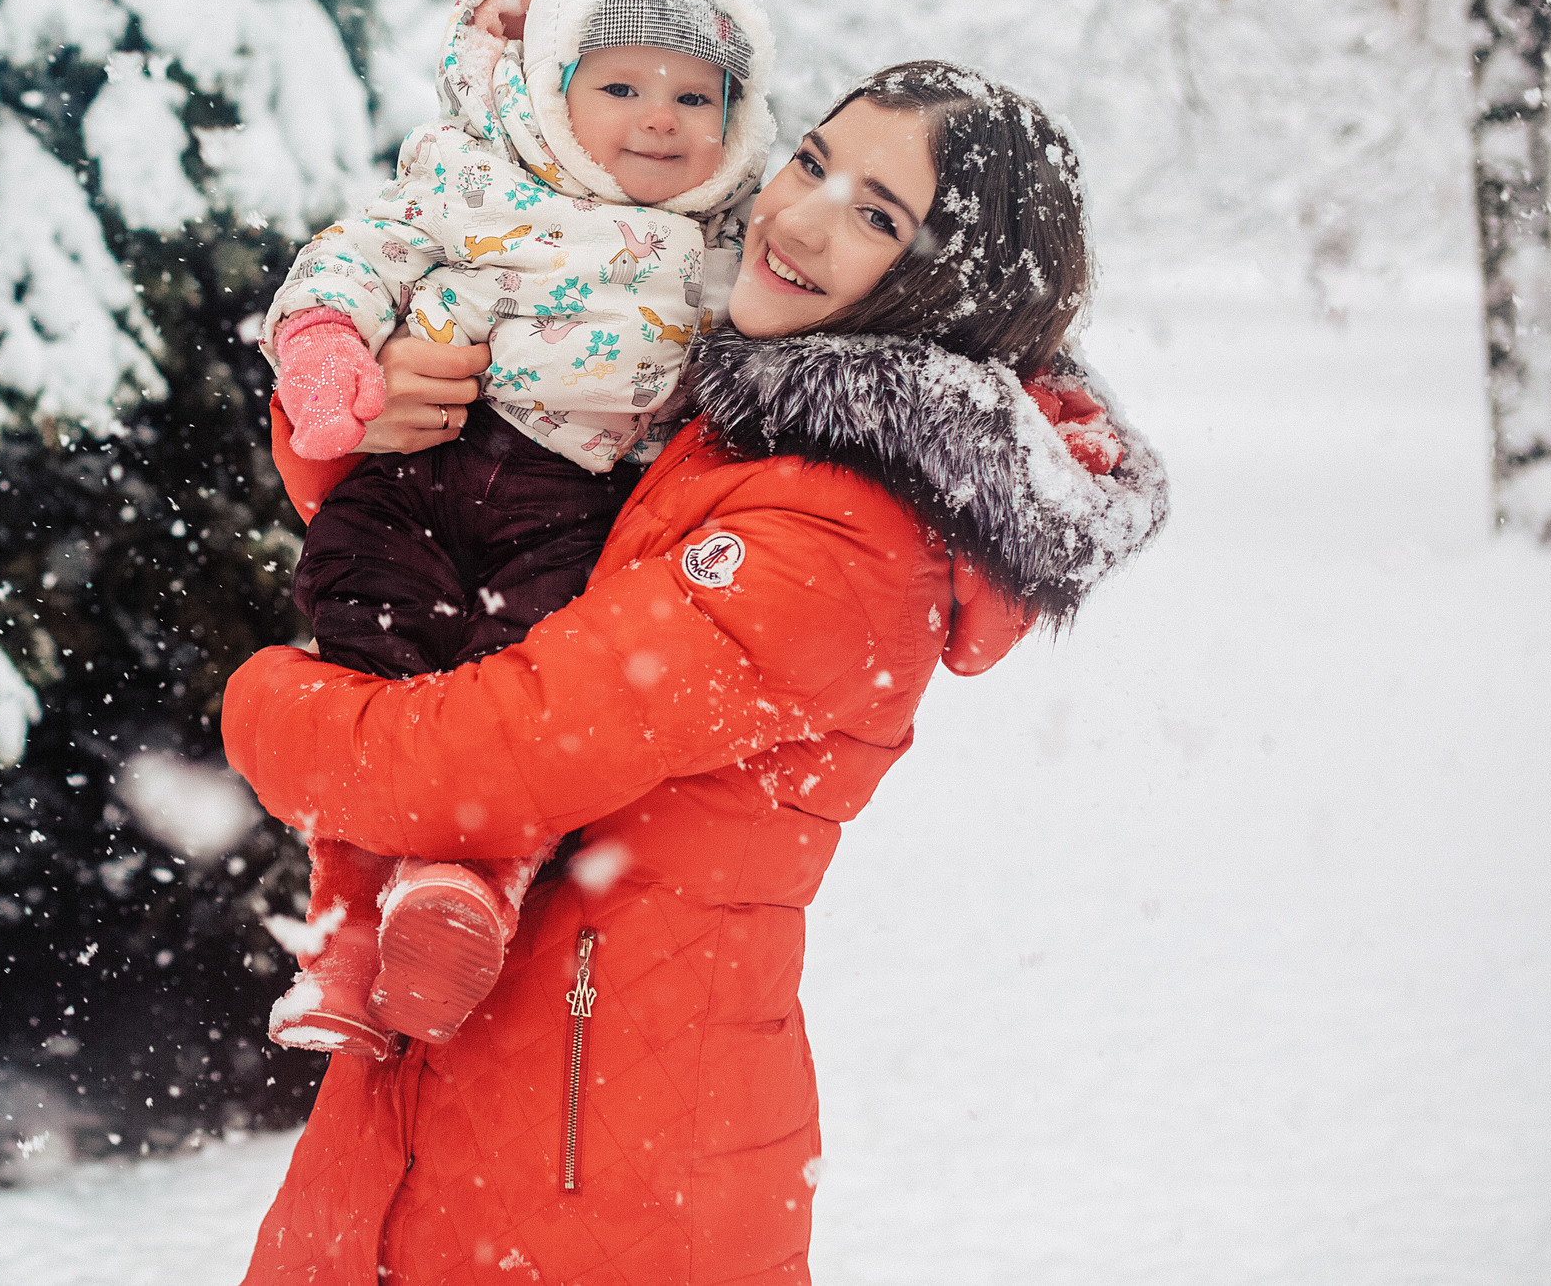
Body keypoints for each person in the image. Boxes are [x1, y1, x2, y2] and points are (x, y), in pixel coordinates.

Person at [225, 62, 1170, 1285]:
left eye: (876, 215)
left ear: (951, 289)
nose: (800, 218)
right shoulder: (714, 402)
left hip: (601, 1169)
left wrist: (265, 706)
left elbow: (463, 763)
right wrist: (390, 420)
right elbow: (486, 541)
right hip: (448, 1114)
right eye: (812, 161)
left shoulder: (840, 536)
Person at [256, 0, 778, 1060]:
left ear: (736, 120)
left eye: (695, 97)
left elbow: (841, 313)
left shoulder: (730, 239)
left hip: (573, 501)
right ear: (551, 92)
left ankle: (469, 887)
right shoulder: (472, 173)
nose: (659, 119)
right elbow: (360, 251)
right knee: (369, 657)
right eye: (622, 88)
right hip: (421, 464)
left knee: (525, 692)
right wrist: (325, 346)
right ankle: (344, 932)